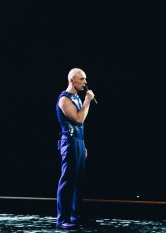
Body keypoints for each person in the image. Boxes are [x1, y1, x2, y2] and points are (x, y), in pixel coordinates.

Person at [55, 67, 95, 229]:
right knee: (68, 180)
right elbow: (78, 119)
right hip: (69, 142)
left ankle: (76, 216)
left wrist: (83, 144)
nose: (85, 82)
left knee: (78, 181)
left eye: (85, 79)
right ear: (72, 80)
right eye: (82, 79)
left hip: (78, 141)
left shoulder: (76, 97)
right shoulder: (64, 99)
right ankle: (62, 219)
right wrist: (88, 101)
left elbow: (82, 123)